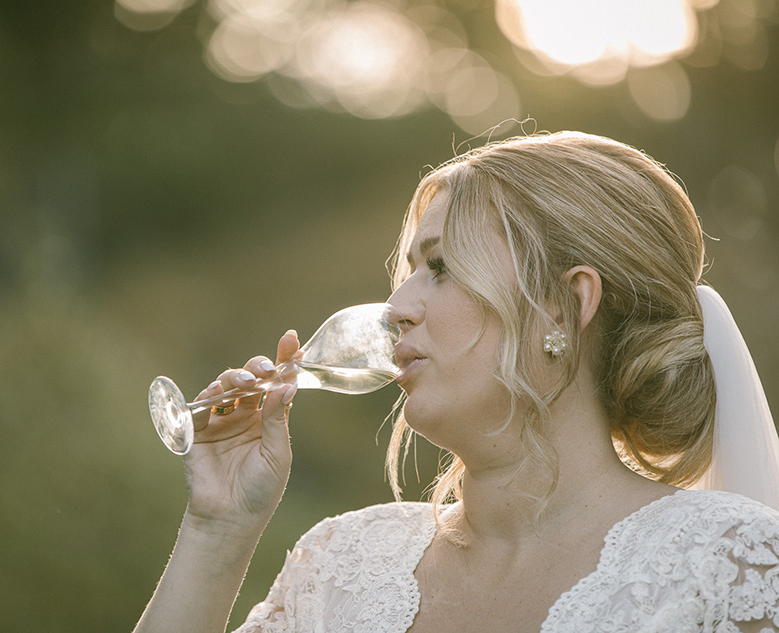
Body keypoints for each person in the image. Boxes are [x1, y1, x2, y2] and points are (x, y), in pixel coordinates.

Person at [134, 131, 779, 633]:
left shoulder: (731, 563)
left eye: (441, 267)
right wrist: (216, 531)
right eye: (409, 269)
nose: (396, 306)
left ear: (565, 304)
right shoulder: (340, 565)